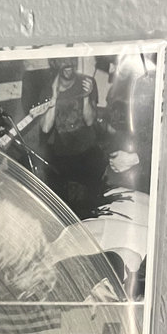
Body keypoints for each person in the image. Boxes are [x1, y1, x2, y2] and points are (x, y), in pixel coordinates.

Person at [38, 58, 106, 216]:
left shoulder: (87, 83)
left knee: (93, 208)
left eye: (71, 59)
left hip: (87, 152)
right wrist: (54, 97)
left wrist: (86, 96)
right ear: (55, 63)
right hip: (62, 156)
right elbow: (46, 127)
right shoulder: (48, 89)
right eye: (63, 61)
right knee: (64, 210)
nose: (68, 64)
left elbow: (90, 121)